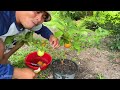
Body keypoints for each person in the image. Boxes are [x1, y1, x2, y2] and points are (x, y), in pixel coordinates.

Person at [0, 11, 59, 79]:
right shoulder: (2, 19)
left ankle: (3, 60)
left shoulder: (30, 22)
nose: (39, 19)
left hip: (7, 44)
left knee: (22, 40)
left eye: (44, 16)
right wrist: (15, 73)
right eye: (37, 11)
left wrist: (50, 36)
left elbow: (41, 29)